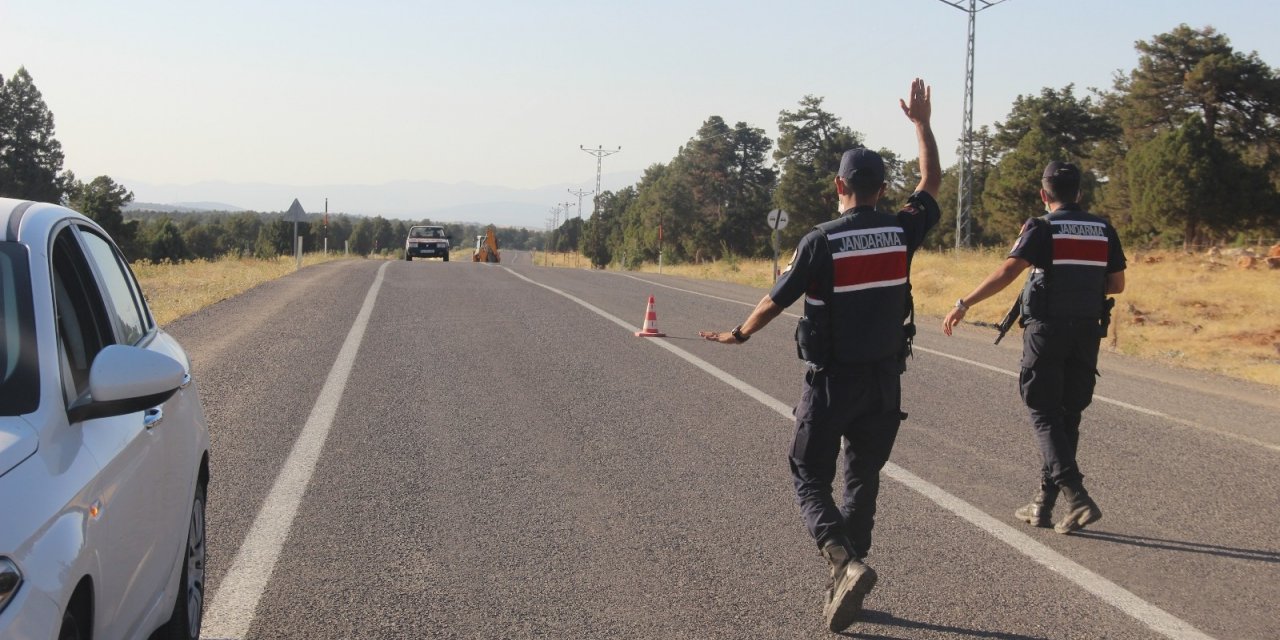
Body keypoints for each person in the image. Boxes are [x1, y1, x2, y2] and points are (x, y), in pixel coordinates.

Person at [699, 78, 940, 632]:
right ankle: (847, 574)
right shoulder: (902, 230)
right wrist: (922, 124)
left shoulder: (820, 240)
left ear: (840, 185)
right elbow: (930, 179)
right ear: (883, 188)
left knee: (808, 472)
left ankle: (840, 559)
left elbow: (773, 300)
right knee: (863, 479)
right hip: (885, 382)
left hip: (832, 382)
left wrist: (739, 334)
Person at [942, 161, 1126, 534]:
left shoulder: (1041, 226)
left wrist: (964, 303)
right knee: (1067, 416)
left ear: (1044, 195)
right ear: (1079, 193)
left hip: (1047, 332)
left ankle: (1076, 496)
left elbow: (1009, 271)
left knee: (1042, 411)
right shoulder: (1103, 228)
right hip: (1087, 332)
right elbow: (1116, 284)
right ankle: (1044, 505)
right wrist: (1080, 284)